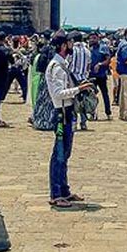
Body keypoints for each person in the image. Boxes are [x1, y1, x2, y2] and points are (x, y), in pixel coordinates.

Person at [46, 32, 94, 208]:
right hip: (62, 114)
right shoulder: (56, 67)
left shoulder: (62, 64)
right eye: (70, 42)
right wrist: (78, 89)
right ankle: (56, 194)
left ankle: (64, 191)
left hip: (68, 112)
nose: (73, 45)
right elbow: (58, 93)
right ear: (63, 46)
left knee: (65, 153)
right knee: (59, 155)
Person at [69, 33, 92, 130]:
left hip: (73, 79)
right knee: (82, 101)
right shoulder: (87, 51)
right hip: (83, 79)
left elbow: (68, 64)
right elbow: (89, 65)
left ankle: (74, 122)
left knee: (73, 102)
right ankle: (83, 122)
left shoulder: (72, 50)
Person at [89, 33, 112, 120]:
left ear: (98, 38)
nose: (92, 40)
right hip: (92, 76)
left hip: (101, 75)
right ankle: (93, 113)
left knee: (105, 94)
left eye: (94, 38)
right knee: (92, 95)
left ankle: (108, 113)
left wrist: (100, 64)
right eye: (91, 38)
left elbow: (108, 60)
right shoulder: (90, 49)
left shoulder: (103, 47)